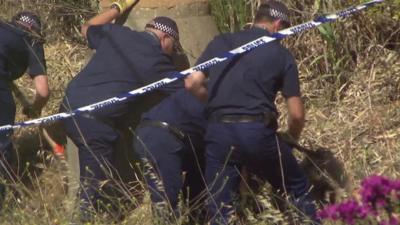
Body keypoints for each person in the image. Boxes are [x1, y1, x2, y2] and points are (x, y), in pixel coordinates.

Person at [185, 1, 319, 224]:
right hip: (256, 131)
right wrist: (290, 139)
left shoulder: (221, 42)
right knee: (297, 186)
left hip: (218, 132)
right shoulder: (281, 54)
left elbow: (191, 82)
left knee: (220, 205)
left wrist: (216, 104)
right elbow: (296, 114)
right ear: (277, 25)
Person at [60, 0, 186, 220]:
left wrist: (118, 7)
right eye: (173, 48)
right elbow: (187, 90)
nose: (171, 54)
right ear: (165, 38)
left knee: (100, 170)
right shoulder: (157, 60)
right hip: (95, 121)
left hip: (69, 106)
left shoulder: (117, 34)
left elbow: (86, 27)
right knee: (93, 185)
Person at [133, 89, 207, 223]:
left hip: (158, 136)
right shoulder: (209, 96)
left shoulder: (186, 95)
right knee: (167, 203)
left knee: (190, 193)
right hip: (162, 139)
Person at [0, 11, 49, 208]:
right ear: (36, 31)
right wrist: (34, 109)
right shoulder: (32, 40)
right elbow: (43, 91)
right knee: (1, 148)